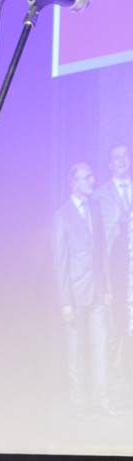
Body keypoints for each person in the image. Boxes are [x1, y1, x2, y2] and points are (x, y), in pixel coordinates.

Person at [51, 162, 115, 420]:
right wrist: (65, 301)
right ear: (74, 182)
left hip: (98, 290)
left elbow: (102, 250)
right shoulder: (62, 215)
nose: (92, 181)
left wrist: (107, 286)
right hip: (75, 295)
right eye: (87, 178)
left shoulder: (95, 208)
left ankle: (102, 400)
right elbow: (60, 261)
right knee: (76, 351)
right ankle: (79, 404)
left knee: (102, 346)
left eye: (92, 177)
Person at [91, 143, 132, 403]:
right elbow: (98, 240)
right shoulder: (100, 195)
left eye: (124, 155)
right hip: (114, 273)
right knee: (116, 327)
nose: (121, 160)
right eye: (116, 157)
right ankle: (120, 385)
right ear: (109, 164)